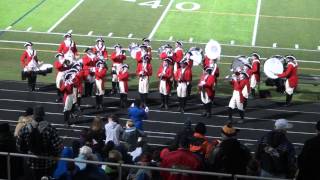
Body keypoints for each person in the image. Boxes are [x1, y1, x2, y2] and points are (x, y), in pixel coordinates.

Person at [16, 105, 63, 180]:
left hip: (30, 163)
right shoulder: (50, 129)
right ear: (43, 115)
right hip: (46, 164)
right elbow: (58, 147)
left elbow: (19, 146)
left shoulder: (25, 128)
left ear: (33, 115)